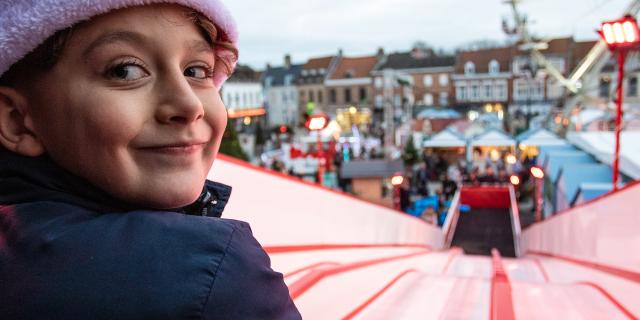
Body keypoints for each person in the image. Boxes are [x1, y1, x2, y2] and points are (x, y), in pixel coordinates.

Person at [0, 1, 301, 319]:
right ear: (17, 119)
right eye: (125, 70)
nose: (189, 104)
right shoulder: (211, 275)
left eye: (196, 71)